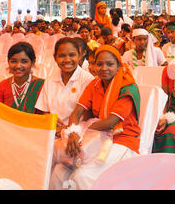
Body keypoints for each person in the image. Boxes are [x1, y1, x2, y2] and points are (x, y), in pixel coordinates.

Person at [50, 45, 141, 190]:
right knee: (58, 172)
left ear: (119, 66)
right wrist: (73, 132)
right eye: (99, 64)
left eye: (110, 64)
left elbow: (111, 122)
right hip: (97, 137)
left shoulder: (127, 87)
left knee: (82, 176)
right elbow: (77, 112)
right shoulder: (95, 83)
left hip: (122, 141)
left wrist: (79, 130)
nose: (104, 68)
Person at [35, 37, 94, 133]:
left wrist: (68, 128)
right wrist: (50, 120)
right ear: (55, 58)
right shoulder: (50, 80)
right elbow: (44, 111)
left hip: (79, 132)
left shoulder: (88, 80)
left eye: (72, 55)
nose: (67, 60)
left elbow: (89, 116)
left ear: (79, 56)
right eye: (62, 55)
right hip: (52, 130)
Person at [0, 42, 44, 113]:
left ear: (33, 62)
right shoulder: (1, 87)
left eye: (24, 62)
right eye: (13, 61)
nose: (18, 66)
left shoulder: (42, 86)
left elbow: (45, 116)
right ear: (8, 62)